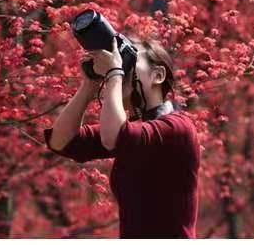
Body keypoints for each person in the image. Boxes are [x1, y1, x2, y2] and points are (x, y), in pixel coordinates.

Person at [43, 35, 201, 239]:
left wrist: (115, 73)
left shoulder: (178, 128)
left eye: (129, 60)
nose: (121, 67)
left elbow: (115, 137)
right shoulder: (136, 131)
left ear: (158, 75)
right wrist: (89, 84)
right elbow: (61, 141)